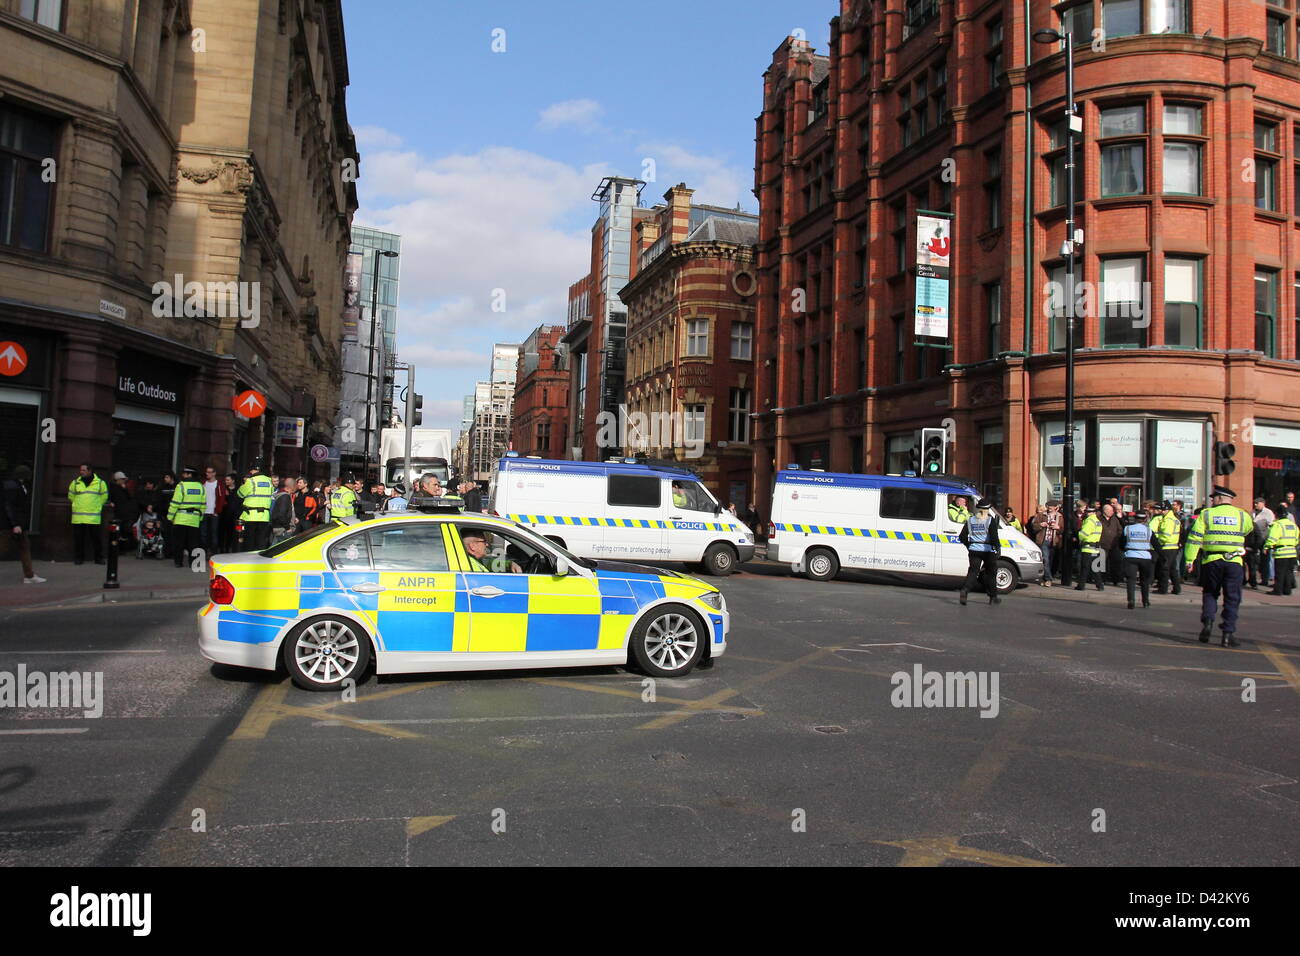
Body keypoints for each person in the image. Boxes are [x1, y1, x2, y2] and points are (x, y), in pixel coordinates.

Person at [1183, 485, 1252, 647]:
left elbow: (1195, 538)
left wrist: (1189, 560)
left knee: (1210, 593)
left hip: (1211, 561)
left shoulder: (1206, 514)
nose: (1212, 500)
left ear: (1220, 498)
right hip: (1234, 562)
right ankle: (1227, 634)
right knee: (1232, 598)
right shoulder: (1242, 515)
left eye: (1213, 498)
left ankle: (1207, 623)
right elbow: (1249, 530)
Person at [2, 464, 43, 584]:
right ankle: (29, 576)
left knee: (24, 546)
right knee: (5, 547)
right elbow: (9, 506)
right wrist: (15, 524)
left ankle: (29, 575)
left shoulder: (18, 485)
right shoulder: (13, 487)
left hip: (17, 524)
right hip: (10, 525)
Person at [957, 498, 1002, 605]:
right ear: (987, 509)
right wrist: (998, 548)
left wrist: (969, 545)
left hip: (974, 550)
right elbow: (995, 537)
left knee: (973, 572)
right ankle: (993, 597)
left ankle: (965, 590)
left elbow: (962, 536)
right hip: (988, 551)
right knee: (991, 573)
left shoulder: (970, 520)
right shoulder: (990, 521)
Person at [68, 462, 108, 565]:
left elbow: (104, 497)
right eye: (80, 470)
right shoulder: (75, 482)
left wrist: (97, 506)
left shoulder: (100, 483)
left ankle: (98, 558)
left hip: (93, 517)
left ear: (90, 471)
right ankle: (78, 558)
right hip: (79, 517)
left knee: (96, 539)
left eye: (83, 470)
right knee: (78, 539)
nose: (81, 472)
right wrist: (77, 505)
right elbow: (71, 496)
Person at [166, 466, 205, 567]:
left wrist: (170, 517)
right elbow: (203, 504)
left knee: (179, 542)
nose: (183, 475)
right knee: (193, 543)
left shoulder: (181, 486)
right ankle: (193, 563)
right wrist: (200, 517)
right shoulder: (201, 486)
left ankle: (178, 562)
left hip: (181, 519)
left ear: (189, 474)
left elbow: (175, 503)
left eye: (185, 473)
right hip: (194, 519)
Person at [237, 460, 276, 551]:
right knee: (261, 542)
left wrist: (244, 484)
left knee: (249, 542)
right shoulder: (269, 481)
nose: (250, 472)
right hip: (264, 517)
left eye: (251, 470)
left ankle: (248, 562)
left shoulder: (251, 481)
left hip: (250, 516)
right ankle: (259, 561)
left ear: (255, 470)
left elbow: (240, 494)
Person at [1122, 505, 1155, 609]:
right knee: (1144, 580)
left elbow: (1121, 542)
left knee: (1131, 580)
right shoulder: (1149, 530)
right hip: (1145, 557)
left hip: (1130, 555)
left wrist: (1124, 550)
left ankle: (1131, 600)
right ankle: (1145, 601)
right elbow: (1156, 544)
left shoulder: (1127, 529)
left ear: (1135, 518)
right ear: (1145, 519)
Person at [1264, 502, 1298, 596]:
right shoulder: (1293, 525)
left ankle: (1278, 591)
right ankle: (1287, 590)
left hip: (1281, 552)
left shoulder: (1278, 525)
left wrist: (1267, 546)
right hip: (1292, 552)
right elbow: (1296, 540)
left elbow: (1272, 538)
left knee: (1279, 573)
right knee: (1289, 573)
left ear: (1277, 514)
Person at [1150, 500, 1183, 595]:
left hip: (1166, 547)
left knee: (1164, 569)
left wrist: (1156, 538)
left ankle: (1163, 589)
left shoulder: (1168, 520)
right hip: (1172, 547)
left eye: (1162, 510)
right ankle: (1177, 588)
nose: (1161, 511)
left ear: (1166, 510)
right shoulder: (1173, 519)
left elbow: (1166, 535)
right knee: (1172, 569)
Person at [1031, 500, 1062, 586]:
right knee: (1046, 560)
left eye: (1051, 506)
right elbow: (1034, 526)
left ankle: (1044, 578)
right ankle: (1048, 579)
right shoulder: (1042, 515)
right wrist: (1041, 525)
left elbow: (1062, 530)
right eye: (1048, 506)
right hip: (1043, 540)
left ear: (1056, 507)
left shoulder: (1059, 517)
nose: (1049, 508)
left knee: (1051, 561)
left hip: (1054, 541)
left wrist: (1058, 527)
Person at [1075, 504, 1104, 591]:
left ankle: (1081, 585)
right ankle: (1100, 585)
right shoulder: (1097, 521)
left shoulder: (1089, 521)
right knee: (1094, 568)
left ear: (1092, 513)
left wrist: (1078, 535)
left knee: (1084, 567)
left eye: (1088, 512)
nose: (1087, 513)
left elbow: (1084, 534)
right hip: (1095, 546)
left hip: (1087, 547)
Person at [107, 471, 139, 550]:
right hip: (118, 513)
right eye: (123, 479)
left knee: (124, 531)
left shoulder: (123, 488)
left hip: (124, 513)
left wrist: (125, 489)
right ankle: (120, 548)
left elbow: (129, 498)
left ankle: (124, 547)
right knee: (119, 531)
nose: (124, 481)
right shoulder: (113, 488)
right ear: (117, 480)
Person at [1249, 498, 1275, 590]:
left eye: (1257, 503)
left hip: (1264, 539)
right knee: (1253, 560)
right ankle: (1253, 579)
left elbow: (1271, 526)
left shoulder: (1268, 513)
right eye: (1254, 503)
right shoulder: (1252, 512)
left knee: (1265, 560)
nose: (1255, 505)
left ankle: (1265, 579)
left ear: (1263, 503)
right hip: (1254, 540)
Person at [201, 465, 226, 556]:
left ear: (214, 473)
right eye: (207, 472)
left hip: (214, 512)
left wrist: (217, 511)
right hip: (204, 512)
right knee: (203, 534)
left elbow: (221, 499)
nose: (207, 474)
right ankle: (205, 551)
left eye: (209, 472)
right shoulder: (203, 483)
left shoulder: (219, 484)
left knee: (213, 533)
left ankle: (213, 553)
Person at [1098, 502, 1124, 585]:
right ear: (1105, 511)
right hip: (1102, 544)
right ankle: (1102, 579)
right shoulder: (1099, 519)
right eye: (1110, 510)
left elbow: (1120, 529)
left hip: (1114, 544)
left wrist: (1118, 537)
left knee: (1115, 563)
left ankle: (1116, 579)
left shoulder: (1115, 519)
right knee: (1102, 562)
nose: (1112, 512)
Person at [270, 476, 298, 544]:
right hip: (282, 530)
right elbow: (281, 515)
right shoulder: (285, 497)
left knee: (275, 549)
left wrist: (293, 518)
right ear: (292, 487)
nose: (295, 490)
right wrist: (288, 528)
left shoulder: (280, 495)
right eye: (295, 488)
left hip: (279, 528)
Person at [218, 473, 241, 553]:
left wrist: (230, 495)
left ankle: (229, 548)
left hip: (234, 516)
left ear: (233, 481)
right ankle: (221, 549)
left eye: (228, 480)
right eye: (225, 480)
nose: (226, 481)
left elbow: (238, 502)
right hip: (224, 515)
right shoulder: (223, 489)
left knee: (232, 533)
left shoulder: (238, 490)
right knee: (222, 532)